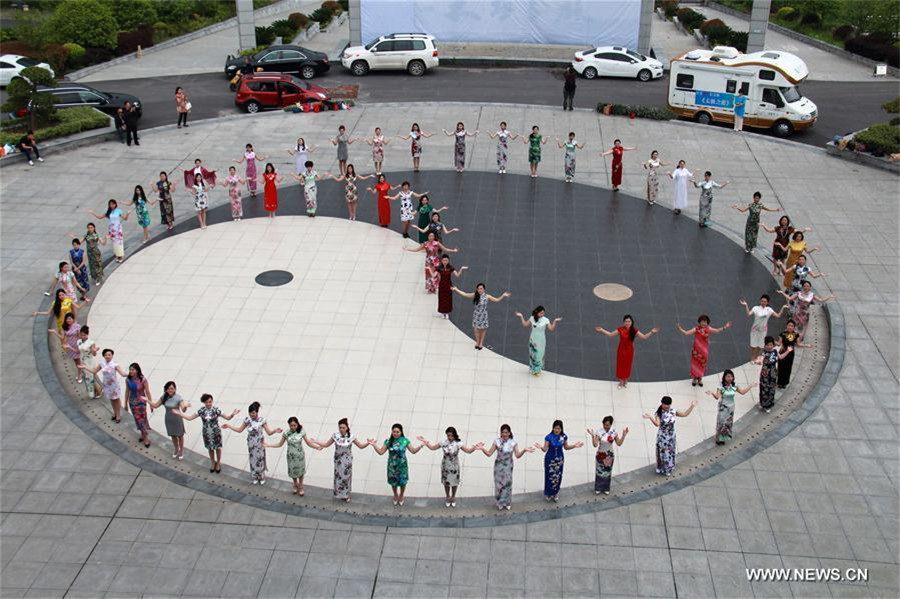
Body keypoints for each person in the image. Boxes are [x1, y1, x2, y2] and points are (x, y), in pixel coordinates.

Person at [417, 428, 482, 507]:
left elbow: (468, 451)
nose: (450, 437)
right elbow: (432, 447)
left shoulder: (458, 443)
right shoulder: (443, 442)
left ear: (454, 435)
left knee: (454, 482)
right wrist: (425, 442)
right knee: (446, 482)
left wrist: (474, 448)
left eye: (451, 435)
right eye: (448, 435)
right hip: (445, 465)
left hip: (454, 466)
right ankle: (447, 496)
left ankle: (453, 496)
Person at [174, 393, 239, 472]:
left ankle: (218, 463)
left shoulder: (216, 410)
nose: (208, 404)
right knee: (210, 448)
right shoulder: (201, 410)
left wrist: (232, 414)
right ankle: (212, 463)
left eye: (210, 401)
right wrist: (180, 414)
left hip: (216, 432)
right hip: (206, 433)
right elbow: (190, 418)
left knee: (217, 448)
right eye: (207, 402)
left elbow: (228, 418)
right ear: (204, 402)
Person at [222, 401, 282, 484]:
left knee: (260, 459)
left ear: (257, 412)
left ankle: (261, 476)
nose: (252, 414)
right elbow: (240, 430)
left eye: (253, 413)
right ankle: (255, 476)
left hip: (259, 443)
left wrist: (275, 430)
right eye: (250, 413)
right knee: (252, 459)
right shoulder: (247, 420)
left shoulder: (262, 420)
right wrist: (229, 426)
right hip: (251, 443)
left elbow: (269, 432)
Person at [263, 417, 324, 496]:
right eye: (291, 425)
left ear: (297, 424)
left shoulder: (301, 432)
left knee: (300, 472)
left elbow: (308, 443)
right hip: (291, 456)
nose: (293, 427)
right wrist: (269, 445)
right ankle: (295, 484)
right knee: (293, 471)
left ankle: (301, 485)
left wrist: (317, 447)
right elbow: (279, 444)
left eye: (294, 425)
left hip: (299, 456)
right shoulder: (286, 433)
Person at [315, 418, 371, 501]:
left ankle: (346, 494)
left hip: (347, 461)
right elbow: (326, 444)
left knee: (346, 477)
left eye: (343, 427)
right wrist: (316, 441)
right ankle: (338, 493)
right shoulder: (335, 435)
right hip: (338, 460)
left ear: (347, 428)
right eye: (340, 427)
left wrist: (368, 443)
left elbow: (360, 446)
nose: (341, 429)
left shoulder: (351, 437)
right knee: (338, 476)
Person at [480, 424, 534, 510]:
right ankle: (499, 502)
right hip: (498, 466)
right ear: (501, 433)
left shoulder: (513, 443)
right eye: (503, 432)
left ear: (509, 433)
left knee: (507, 484)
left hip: (508, 466)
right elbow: (489, 453)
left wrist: (524, 450)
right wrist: (482, 448)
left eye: (506, 432)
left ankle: (507, 502)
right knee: (499, 485)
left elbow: (517, 455)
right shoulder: (496, 441)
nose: (504, 434)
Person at [596, 315, 659, 388]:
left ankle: (625, 380)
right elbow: (610, 335)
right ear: (624, 322)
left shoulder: (634, 330)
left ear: (632, 322)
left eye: (629, 321)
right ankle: (621, 382)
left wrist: (652, 332)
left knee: (627, 365)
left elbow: (644, 337)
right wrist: (602, 330)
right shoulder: (620, 329)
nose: (627, 323)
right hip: (621, 350)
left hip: (629, 351)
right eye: (626, 321)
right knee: (620, 365)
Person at [369, 423, 423, 507]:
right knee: (393, 482)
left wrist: (420, 446)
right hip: (392, 466)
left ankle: (401, 495)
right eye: (394, 431)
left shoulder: (405, 441)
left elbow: (413, 451)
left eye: (397, 432)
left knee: (403, 482)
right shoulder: (388, 441)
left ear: (401, 432)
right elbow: (381, 452)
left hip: (402, 465)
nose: (395, 433)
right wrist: (374, 445)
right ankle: (395, 494)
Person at [642, 396, 698, 477]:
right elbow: (657, 424)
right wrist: (651, 417)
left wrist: (692, 406)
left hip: (671, 436)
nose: (666, 406)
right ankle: (661, 467)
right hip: (663, 436)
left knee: (669, 452)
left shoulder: (673, 411)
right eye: (665, 404)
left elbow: (685, 414)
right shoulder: (659, 413)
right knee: (662, 452)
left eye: (668, 404)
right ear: (662, 403)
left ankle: (668, 468)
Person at [533, 419, 583, 502]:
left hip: (559, 460)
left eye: (559, 428)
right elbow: (545, 449)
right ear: (553, 428)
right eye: (555, 428)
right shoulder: (548, 437)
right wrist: (541, 447)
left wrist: (574, 446)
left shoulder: (564, 437)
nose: (557, 430)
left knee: (558, 476)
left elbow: (566, 447)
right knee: (549, 477)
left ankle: (555, 493)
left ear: (561, 429)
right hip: (550, 460)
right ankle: (548, 493)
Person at [451, 284, 511, 350]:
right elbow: (465, 294)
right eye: (478, 288)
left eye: (481, 288)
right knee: (476, 329)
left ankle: (481, 343)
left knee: (483, 329)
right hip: (476, 314)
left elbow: (496, 300)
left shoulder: (487, 296)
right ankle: (477, 341)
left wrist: (503, 295)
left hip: (483, 315)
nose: (479, 290)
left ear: (484, 289)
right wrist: (456, 289)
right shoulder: (475, 295)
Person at [677, 315, 731, 386]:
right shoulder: (696, 329)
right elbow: (687, 333)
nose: (703, 323)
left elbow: (717, 331)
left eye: (705, 322)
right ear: (699, 322)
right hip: (696, 350)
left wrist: (725, 327)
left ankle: (700, 379)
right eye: (702, 321)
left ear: (707, 322)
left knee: (702, 364)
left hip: (704, 351)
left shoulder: (708, 329)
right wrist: (680, 329)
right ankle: (694, 378)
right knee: (695, 364)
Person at [705, 369, 756, 444]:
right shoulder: (721, 386)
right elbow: (717, 397)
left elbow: (742, 392)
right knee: (721, 423)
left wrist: (750, 386)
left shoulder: (735, 385)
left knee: (728, 423)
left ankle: (723, 438)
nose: (730, 378)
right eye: (728, 376)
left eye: (731, 376)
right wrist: (712, 393)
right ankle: (718, 437)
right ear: (724, 377)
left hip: (731, 407)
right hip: (723, 407)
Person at [79, 348, 128, 423]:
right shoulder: (102, 364)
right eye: (106, 355)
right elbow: (94, 371)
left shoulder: (115, 365)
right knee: (111, 400)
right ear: (103, 356)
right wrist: (85, 367)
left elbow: (122, 373)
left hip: (114, 386)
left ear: (112, 355)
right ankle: (114, 413)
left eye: (109, 355)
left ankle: (118, 415)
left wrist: (131, 374)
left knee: (116, 399)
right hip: (107, 385)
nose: (107, 356)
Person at [514, 306, 562, 376]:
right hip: (533, 338)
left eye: (543, 313)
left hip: (541, 339)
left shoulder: (546, 320)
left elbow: (551, 329)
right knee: (533, 354)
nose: (542, 314)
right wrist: (521, 316)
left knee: (540, 353)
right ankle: (533, 368)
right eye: (541, 313)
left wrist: (555, 321)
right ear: (537, 312)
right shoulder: (532, 318)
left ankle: (537, 370)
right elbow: (525, 324)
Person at [147, 381, 188, 460]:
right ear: (166, 389)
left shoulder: (178, 397)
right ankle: (176, 449)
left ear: (175, 389)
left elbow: (183, 409)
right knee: (173, 435)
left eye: (172, 388)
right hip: (168, 419)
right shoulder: (164, 397)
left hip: (177, 419)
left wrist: (185, 406)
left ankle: (181, 450)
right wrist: (147, 400)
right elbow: (155, 405)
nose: (170, 390)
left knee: (180, 435)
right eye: (169, 389)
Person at [740, 295, 788, 361]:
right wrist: (746, 305)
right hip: (755, 329)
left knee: (760, 345)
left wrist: (783, 307)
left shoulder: (769, 310)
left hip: (763, 330)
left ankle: (756, 357)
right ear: (760, 301)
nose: (763, 302)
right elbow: (748, 314)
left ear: (767, 302)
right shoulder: (756, 308)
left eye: (765, 301)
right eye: (762, 301)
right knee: (753, 345)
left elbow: (778, 315)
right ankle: (752, 357)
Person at [588, 417, 628, 495]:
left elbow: (619, 443)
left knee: (607, 472)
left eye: (608, 425)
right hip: (600, 454)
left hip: (609, 455)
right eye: (605, 425)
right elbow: (595, 444)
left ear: (611, 424)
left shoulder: (613, 432)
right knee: (599, 471)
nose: (606, 426)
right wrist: (593, 436)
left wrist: (623, 436)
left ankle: (606, 487)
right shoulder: (599, 432)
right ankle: (598, 487)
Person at [757, 336, 793, 413]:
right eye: (768, 345)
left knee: (771, 389)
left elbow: (780, 357)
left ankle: (768, 405)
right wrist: (759, 361)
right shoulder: (764, 352)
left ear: (773, 345)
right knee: (763, 388)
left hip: (773, 373)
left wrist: (788, 351)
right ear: (765, 345)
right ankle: (762, 403)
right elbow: (761, 359)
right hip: (765, 373)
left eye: (771, 345)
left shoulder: (775, 352)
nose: (770, 346)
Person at [124, 362, 153, 447]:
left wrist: (151, 403)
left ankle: (145, 437)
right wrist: (125, 403)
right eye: (130, 369)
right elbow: (127, 392)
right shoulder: (128, 380)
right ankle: (143, 434)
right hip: (132, 402)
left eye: (133, 369)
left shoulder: (143, 379)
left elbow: (147, 392)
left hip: (141, 402)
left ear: (137, 370)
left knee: (142, 419)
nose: (131, 371)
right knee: (137, 419)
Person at [775, 319, 810, 387]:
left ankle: (785, 383)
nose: (790, 327)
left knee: (788, 368)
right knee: (781, 368)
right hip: (783, 351)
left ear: (794, 327)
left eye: (792, 326)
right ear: (786, 326)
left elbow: (799, 344)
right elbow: (779, 343)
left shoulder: (796, 334)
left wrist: (807, 345)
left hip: (790, 353)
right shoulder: (782, 334)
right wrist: (772, 341)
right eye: (789, 325)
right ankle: (779, 382)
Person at [76, 325, 101, 399]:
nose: (82, 336)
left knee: (90, 378)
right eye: (81, 334)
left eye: (84, 335)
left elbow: (94, 354)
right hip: (83, 361)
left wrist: (94, 350)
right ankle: (93, 391)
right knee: (88, 378)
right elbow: (78, 351)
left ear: (87, 334)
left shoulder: (91, 342)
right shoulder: (79, 341)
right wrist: (69, 347)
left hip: (89, 362)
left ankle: (98, 391)